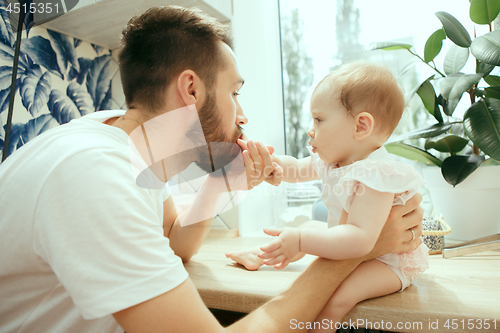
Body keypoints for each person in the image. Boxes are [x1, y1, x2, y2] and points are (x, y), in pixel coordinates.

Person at [0, 6, 424, 333]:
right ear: (191, 89)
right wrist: (357, 251)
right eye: (235, 93)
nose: (242, 115)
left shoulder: (116, 141)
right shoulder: (93, 174)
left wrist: (223, 181)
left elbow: (176, 243)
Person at [227, 62, 429, 332]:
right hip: (359, 250)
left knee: (335, 297)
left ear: (361, 126)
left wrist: (299, 240)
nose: (311, 129)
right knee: (310, 227)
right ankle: (262, 254)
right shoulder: (336, 161)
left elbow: (360, 239)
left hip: (387, 263)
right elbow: (296, 168)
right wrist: (268, 162)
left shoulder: (375, 174)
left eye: (319, 120)